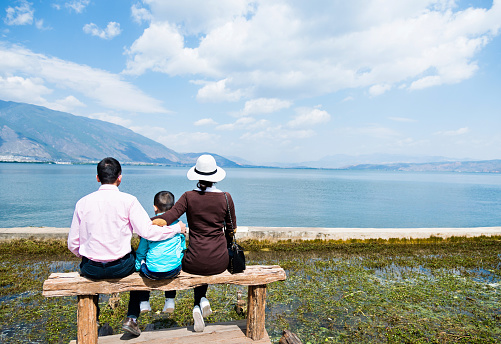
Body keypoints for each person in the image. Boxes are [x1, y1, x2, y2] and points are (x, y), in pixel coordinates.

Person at [67, 157, 186, 336]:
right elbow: (148, 232)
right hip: (120, 266)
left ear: (98, 178)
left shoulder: (83, 203)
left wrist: (89, 255)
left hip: (91, 268)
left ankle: (96, 318)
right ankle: (132, 317)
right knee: (137, 266)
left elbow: (73, 243)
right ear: (120, 178)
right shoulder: (129, 201)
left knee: (94, 270)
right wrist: (177, 228)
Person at [153, 154, 237, 332]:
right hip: (219, 261)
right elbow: (231, 229)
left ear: (198, 176)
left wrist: (146, 221)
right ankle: (200, 302)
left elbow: (168, 217)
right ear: (215, 176)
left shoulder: (188, 197)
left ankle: (199, 302)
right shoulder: (226, 198)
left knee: (194, 257)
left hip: (194, 262)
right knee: (206, 259)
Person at [123, 191, 186, 335]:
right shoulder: (179, 225)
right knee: (172, 260)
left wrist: (138, 266)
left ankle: (144, 301)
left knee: (143, 262)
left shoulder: (150, 226)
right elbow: (182, 248)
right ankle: (170, 300)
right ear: (173, 208)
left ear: (154, 208)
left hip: (151, 272)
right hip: (174, 271)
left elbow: (141, 252)